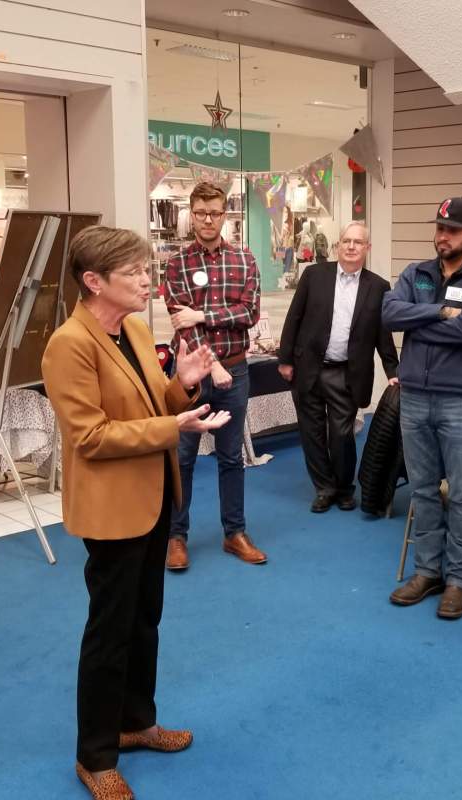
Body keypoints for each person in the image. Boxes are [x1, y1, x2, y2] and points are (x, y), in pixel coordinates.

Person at [41, 226, 231, 800]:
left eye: (146, 270)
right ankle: (95, 755)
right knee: (109, 632)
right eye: (135, 273)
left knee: (145, 619)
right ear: (93, 282)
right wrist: (175, 425)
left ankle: (136, 724)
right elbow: (91, 436)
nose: (148, 280)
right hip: (112, 508)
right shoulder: (68, 344)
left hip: (152, 498)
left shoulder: (136, 328)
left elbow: (152, 404)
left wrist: (182, 386)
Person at [382, 197, 462, 619]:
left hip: (461, 400)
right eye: (439, 228)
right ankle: (427, 570)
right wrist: (438, 311)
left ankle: (457, 581)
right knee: (422, 489)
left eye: (452, 230)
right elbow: (390, 313)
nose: (442, 237)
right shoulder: (415, 273)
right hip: (414, 395)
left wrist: (420, 323)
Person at [163, 181, 266, 571]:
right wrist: (213, 364)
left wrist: (204, 314)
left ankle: (234, 533)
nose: (208, 220)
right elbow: (179, 321)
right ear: (191, 214)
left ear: (226, 214)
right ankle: (176, 536)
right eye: (201, 213)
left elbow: (251, 313)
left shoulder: (244, 259)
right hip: (193, 374)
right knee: (182, 456)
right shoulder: (176, 263)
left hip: (236, 370)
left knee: (231, 456)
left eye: (216, 213)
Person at [277, 222, 399, 512]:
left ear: (367, 248)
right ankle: (324, 488)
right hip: (309, 368)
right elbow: (294, 317)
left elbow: (383, 335)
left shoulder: (379, 287)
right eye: (346, 241)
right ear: (337, 246)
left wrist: (393, 372)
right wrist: (285, 359)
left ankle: (345, 487)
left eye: (358, 242)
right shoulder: (314, 275)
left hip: (347, 373)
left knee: (342, 434)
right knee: (312, 431)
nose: (351, 246)